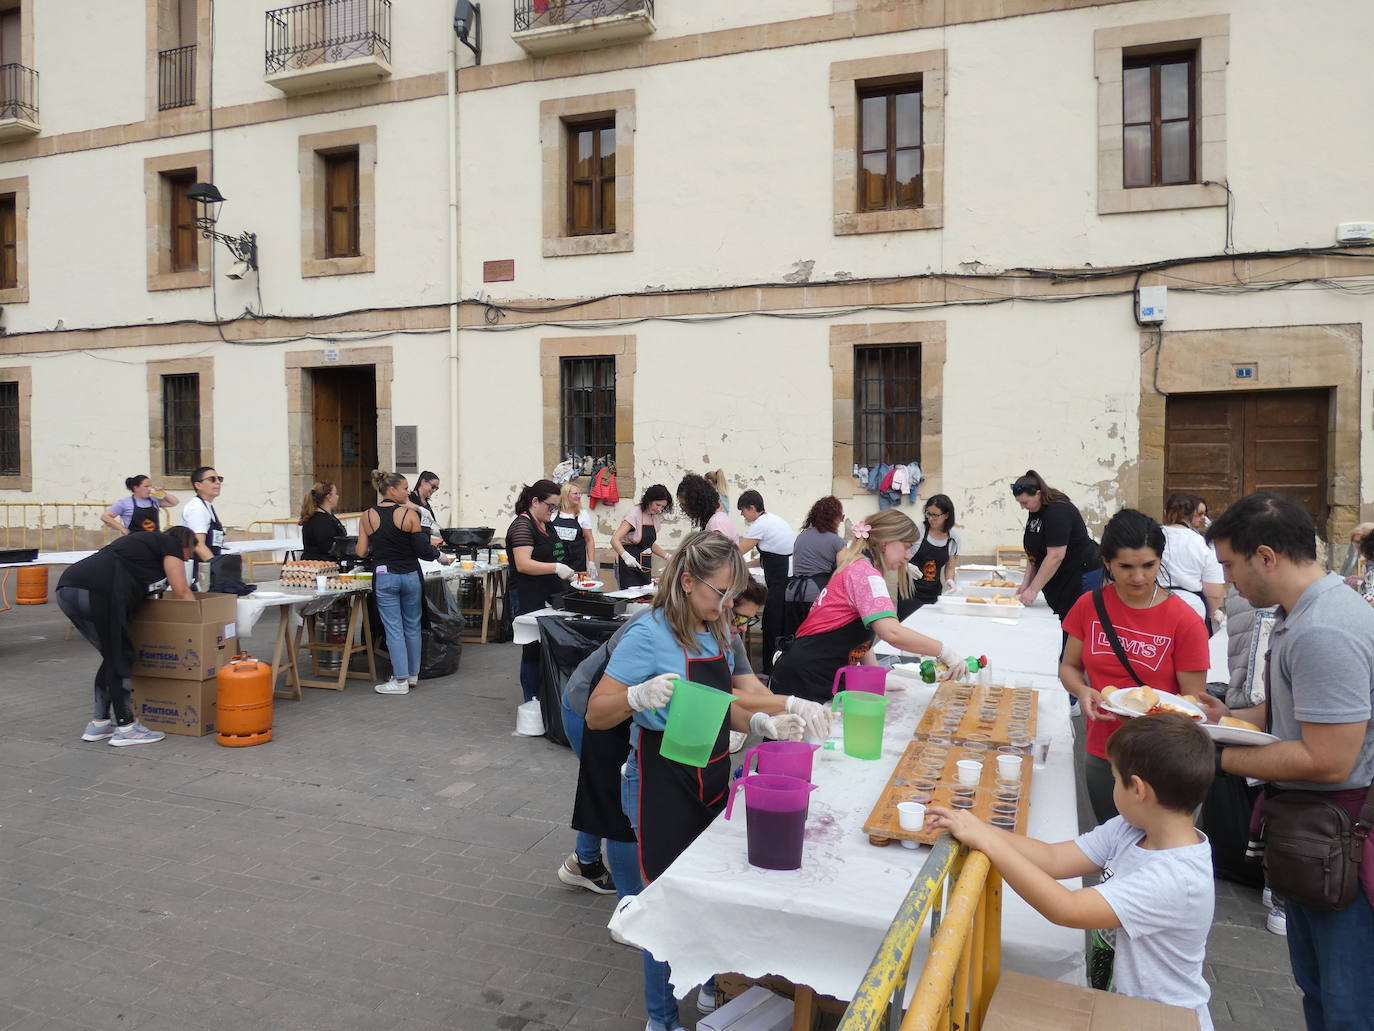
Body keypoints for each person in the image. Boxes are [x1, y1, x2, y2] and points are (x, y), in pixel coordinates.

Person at [585, 532, 813, 1031]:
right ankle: (661, 1020)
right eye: (720, 593)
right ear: (687, 581)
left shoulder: (717, 628)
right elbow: (596, 714)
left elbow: (718, 702)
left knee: (710, 897)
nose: (728, 605)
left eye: (733, 596)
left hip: (711, 773)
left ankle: (712, 992)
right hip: (660, 783)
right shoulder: (647, 634)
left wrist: (762, 721)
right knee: (663, 910)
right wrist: (636, 698)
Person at [1198, 493, 1374, 1029]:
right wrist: (1220, 720)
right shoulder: (1305, 614)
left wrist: (1212, 760)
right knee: (1320, 993)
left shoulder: (1325, 629)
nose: (1227, 582)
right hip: (1313, 837)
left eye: (1230, 565)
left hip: (1340, 843)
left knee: (1347, 1005)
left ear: (1267, 556)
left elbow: (1327, 759)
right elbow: (1286, 716)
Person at [929, 714, 1217, 1030]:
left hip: (1163, 1019)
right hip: (1122, 1007)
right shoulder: (1132, 829)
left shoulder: (1175, 878)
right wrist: (980, 829)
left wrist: (990, 844)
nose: (1112, 786)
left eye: (1114, 778)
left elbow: (1067, 909)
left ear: (1137, 789)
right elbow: (1053, 859)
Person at [1059, 509, 1210, 823]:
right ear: (1107, 563)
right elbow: (1069, 667)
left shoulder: (1184, 621)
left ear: (1160, 560)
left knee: (1159, 857)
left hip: (1163, 760)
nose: (1138, 577)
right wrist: (1082, 690)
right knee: (1110, 848)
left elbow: (1192, 702)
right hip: (1103, 751)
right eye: (1125, 567)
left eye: (1148, 566)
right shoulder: (1090, 605)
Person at [769, 509, 964, 702]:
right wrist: (943, 650)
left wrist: (877, 674)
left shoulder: (860, 566)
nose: (908, 556)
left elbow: (863, 633)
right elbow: (892, 633)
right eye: (906, 547)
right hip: (805, 678)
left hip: (811, 673)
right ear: (886, 543)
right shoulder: (865, 574)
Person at [56, 526, 199, 747]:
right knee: (120, 656)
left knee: (112, 656)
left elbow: (142, 594)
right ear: (185, 544)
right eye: (190, 553)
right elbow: (181, 590)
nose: (187, 559)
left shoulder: (142, 550)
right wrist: (199, 624)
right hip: (97, 591)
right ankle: (127, 728)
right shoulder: (169, 543)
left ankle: (100, 724)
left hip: (68, 590)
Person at [357, 470, 454, 696]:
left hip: (385, 576)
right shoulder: (409, 515)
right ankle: (412, 675)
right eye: (404, 488)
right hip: (411, 575)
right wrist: (440, 557)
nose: (407, 492)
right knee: (412, 626)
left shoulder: (367, 516)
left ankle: (399, 680)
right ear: (391, 490)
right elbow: (422, 548)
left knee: (394, 629)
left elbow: (361, 552)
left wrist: (377, 544)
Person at [507, 479, 577, 704]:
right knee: (532, 649)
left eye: (556, 507)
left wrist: (571, 573)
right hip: (528, 596)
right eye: (550, 506)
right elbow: (523, 564)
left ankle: (547, 698)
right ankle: (532, 701)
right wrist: (557, 568)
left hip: (550, 595)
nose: (553, 511)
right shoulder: (522, 526)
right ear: (535, 502)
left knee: (547, 648)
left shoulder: (546, 524)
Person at [1012, 470, 1101, 620]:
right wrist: (1026, 584)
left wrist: (1034, 590)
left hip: (1081, 575)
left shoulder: (1058, 511)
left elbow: (1055, 556)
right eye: (1020, 503)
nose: (1022, 507)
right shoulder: (1036, 510)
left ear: (1038, 494)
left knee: (1077, 623)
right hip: (1062, 579)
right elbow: (1033, 552)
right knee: (1067, 623)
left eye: (1025, 502)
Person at [736, 490, 793, 674]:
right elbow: (766, 557)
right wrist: (746, 564)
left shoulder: (760, 524)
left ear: (752, 508)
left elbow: (737, 551)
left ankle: (770, 669)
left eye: (743, 511)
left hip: (781, 580)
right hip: (787, 577)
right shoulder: (773, 519)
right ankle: (777, 667)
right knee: (779, 623)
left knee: (772, 624)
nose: (742, 515)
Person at [1159, 492, 1225, 632]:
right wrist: (1212, 618)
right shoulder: (1204, 545)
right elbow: (1214, 593)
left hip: (1154, 603)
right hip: (1191, 609)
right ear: (1191, 514)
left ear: (1165, 512)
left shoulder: (1152, 537)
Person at [784, 495, 845, 637]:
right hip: (817, 595)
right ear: (834, 518)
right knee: (815, 639)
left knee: (794, 639)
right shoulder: (837, 542)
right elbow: (842, 573)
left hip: (792, 593)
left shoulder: (802, 536)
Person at [900, 493, 961, 618]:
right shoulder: (918, 531)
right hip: (909, 592)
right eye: (928, 514)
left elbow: (950, 566)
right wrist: (906, 566)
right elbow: (898, 554)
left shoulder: (953, 538)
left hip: (933, 593)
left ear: (946, 515)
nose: (931, 519)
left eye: (935, 515)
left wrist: (950, 581)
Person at [182, 465, 235, 587]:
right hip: (199, 570)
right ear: (198, 485)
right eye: (212, 479)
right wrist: (218, 571)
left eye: (219, 479)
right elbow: (198, 545)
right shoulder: (197, 508)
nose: (217, 483)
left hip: (207, 565)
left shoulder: (207, 506)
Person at [611, 485, 673, 589]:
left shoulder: (653, 517)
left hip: (645, 566)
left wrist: (668, 556)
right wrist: (626, 556)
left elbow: (649, 544)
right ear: (649, 500)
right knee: (629, 600)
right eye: (657, 505)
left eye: (662, 507)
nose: (659, 509)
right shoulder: (634, 514)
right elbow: (614, 539)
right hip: (628, 565)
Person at [100, 476, 177, 536]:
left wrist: (162, 493)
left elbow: (174, 502)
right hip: (135, 541)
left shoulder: (154, 500)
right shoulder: (124, 503)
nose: (149, 489)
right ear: (135, 488)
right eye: (146, 486)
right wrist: (123, 529)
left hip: (155, 539)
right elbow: (105, 517)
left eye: (150, 486)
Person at [551, 481, 597, 577]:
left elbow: (589, 539)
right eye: (575, 493)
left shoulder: (582, 514)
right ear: (566, 495)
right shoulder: (553, 513)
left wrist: (591, 562)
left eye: (580, 493)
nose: (579, 496)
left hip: (577, 564)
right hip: (556, 563)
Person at [675, 473, 737, 542]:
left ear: (698, 503)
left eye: (686, 505)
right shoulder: (715, 518)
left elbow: (715, 552)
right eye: (681, 505)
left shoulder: (716, 523)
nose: (683, 509)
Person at [298, 481, 345, 561]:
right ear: (328, 497)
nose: (337, 496)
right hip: (321, 565)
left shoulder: (323, 517)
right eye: (335, 493)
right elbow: (328, 547)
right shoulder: (320, 521)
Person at [407, 470, 443, 545]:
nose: (434, 490)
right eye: (433, 487)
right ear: (423, 482)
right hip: (411, 543)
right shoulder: (410, 499)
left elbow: (424, 526)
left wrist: (436, 533)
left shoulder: (427, 504)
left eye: (436, 488)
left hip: (423, 544)